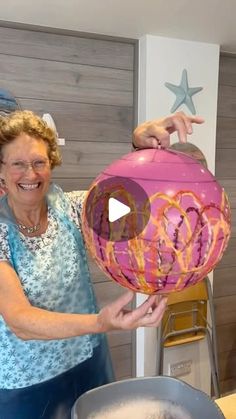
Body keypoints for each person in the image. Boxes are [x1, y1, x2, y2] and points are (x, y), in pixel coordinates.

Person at [0, 110, 204, 419]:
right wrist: (100, 323)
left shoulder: (73, 208)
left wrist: (140, 148)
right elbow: (20, 321)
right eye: (18, 164)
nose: (31, 174)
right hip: (26, 384)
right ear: (1, 170)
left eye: (39, 162)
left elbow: (135, 202)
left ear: (51, 163)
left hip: (88, 364)